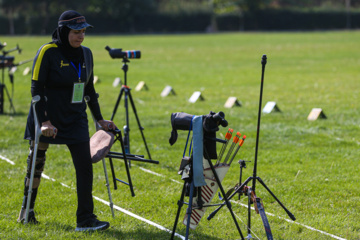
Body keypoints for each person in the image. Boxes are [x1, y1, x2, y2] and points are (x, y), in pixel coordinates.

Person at [17, 10, 115, 232]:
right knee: (36, 163)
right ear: (63, 31)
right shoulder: (47, 52)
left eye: (83, 32)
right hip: (47, 117)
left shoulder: (87, 54)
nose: (80, 36)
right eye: (76, 32)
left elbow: (89, 89)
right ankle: (27, 209)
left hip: (75, 118)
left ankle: (85, 219)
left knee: (84, 167)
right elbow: (36, 89)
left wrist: (99, 119)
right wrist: (44, 121)